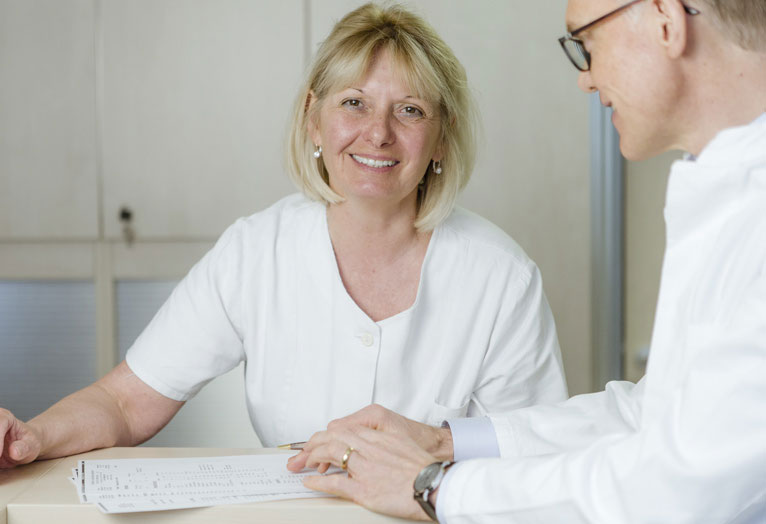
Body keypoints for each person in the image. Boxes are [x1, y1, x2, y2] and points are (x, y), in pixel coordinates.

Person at [0, 3, 568, 469]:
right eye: (353, 103)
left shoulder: (500, 276)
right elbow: (125, 402)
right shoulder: (256, 251)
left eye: (411, 111)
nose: (378, 133)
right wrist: (33, 436)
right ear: (313, 119)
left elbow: (533, 449)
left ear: (441, 138)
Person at [287, 0, 766, 522]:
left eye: (587, 43)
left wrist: (432, 486)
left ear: (666, 22)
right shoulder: (732, 187)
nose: (586, 79)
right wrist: (446, 443)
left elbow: (677, 489)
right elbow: (651, 412)